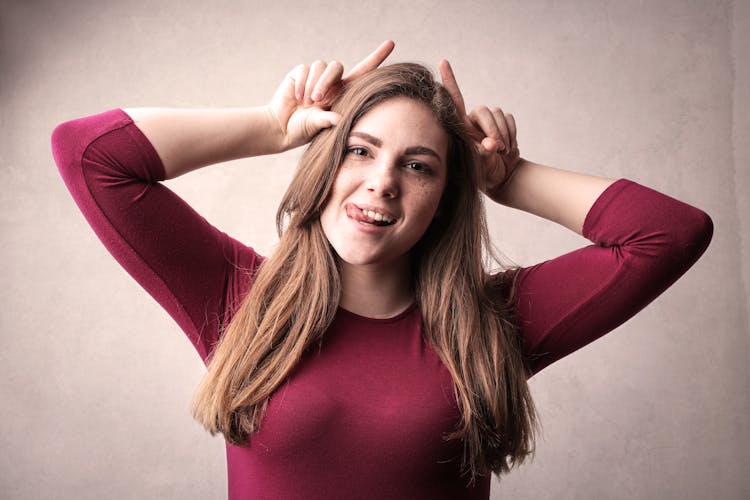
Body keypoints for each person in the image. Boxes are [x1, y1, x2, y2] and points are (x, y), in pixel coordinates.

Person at [51, 40, 712, 499]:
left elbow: (670, 233)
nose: (382, 184)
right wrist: (270, 126)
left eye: (419, 165)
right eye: (359, 152)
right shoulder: (238, 297)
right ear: (324, 163)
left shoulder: (491, 327)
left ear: (446, 193)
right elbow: (87, 153)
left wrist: (509, 180)